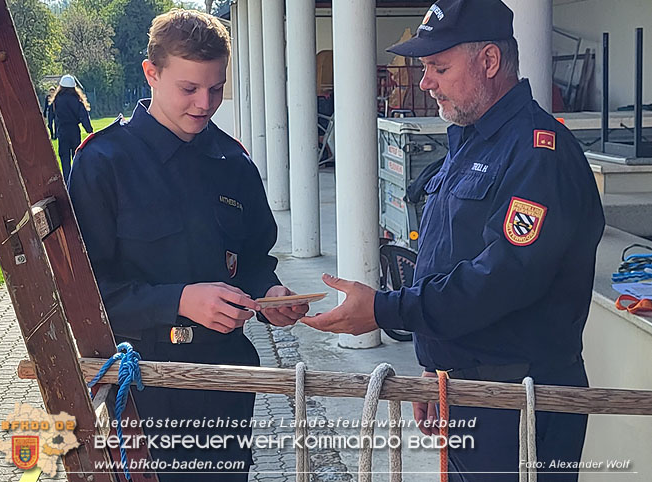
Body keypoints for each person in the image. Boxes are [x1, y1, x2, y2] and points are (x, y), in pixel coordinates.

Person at [303, 0, 605, 481]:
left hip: (519, 401)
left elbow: (502, 279)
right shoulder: (470, 141)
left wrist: (386, 310)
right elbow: (446, 257)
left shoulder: (537, 154)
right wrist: (436, 367)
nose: (426, 83)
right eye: (426, 69)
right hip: (467, 393)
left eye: (439, 67)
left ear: (489, 61)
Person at [68, 9, 308, 481]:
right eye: (189, 88)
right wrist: (179, 300)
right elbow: (84, 296)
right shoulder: (103, 164)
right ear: (151, 73)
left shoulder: (233, 162)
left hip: (226, 380)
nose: (204, 103)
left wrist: (272, 294)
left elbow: (254, 258)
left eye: (216, 88)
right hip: (140, 385)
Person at [50, 74, 93, 182]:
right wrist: (89, 130)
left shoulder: (56, 101)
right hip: (74, 131)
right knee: (76, 156)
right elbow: (83, 116)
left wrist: (52, 130)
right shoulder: (77, 100)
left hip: (62, 131)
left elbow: (51, 117)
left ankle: (67, 181)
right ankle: (77, 180)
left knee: (64, 157)